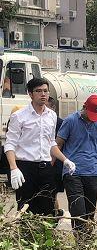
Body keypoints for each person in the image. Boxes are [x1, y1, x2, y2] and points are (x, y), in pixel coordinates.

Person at [5, 78, 75, 215]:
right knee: (26, 209)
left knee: (48, 209)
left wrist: (65, 160)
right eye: (38, 91)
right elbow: (10, 144)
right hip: (26, 168)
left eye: (45, 91)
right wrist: (14, 168)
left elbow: (51, 143)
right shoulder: (19, 116)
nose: (43, 94)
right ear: (30, 94)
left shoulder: (52, 116)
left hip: (46, 168)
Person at [57, 94, 97, 231]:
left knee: (89, 214)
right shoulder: (70, 121)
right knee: (78, 212)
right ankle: (81, 241)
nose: (92, 118)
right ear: (84, 107)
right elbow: (58, 144)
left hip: (93, 172)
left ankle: (87, 241)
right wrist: (52, 168)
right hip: (72, 173)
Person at [47, 96, 65, 217]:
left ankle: (55, 215)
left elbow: (58, 145)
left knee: (52, 194)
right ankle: (55, 214)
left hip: (56, 164)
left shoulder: (60, 123)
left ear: (53, 108)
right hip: (43, 162)